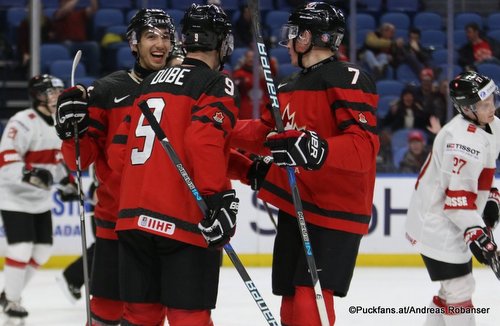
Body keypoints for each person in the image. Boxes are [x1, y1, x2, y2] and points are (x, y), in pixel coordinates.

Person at [230, 3, 379, 325]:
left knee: (311, 295)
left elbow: (363, 146)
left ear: (308, 37)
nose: (288, 41)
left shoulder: (347, 78)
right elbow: (266, 133)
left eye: (293, 33)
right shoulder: (288, 84)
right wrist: (222, 129)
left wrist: (317, 147)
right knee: (289, 295)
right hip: (297, 202)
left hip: (334, 206)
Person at [107, 4, 239, 325]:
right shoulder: (214, 83)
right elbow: (203, 141)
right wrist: (216, 198)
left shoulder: (148, 84)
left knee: (140, 316)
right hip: (182, 219)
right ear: (221, 42)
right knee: (188, 317)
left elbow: (117, 157)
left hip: (133, 220)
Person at [54, 8, 176, 325]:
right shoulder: (108, 90)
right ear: (134, 44)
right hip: (117, 219)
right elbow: (78, 160)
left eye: (166, 37)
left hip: (166, 218)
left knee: (152, 310)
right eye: (151, 36)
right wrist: (70, 133)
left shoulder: (184, 88)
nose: (160, 43)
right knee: (106, 308)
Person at [405, 71, 500, 325]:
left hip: (451, 219)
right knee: (460, 289)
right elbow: (456, 203)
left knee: (450, 292)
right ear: (467, 109)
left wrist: (490, 198)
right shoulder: (461, 142)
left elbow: (483, 172)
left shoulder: (491, 124)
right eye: (484, 104)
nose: (492, 107)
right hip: (437, 224)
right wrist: (479, 235)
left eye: (492, 99)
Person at [0, 74, 77, 321]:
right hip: (13, 196)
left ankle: (9, 294)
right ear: (37, 96)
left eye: (57, 91)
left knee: (42, 252)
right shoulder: (22, 121)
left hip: (40, 199)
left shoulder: (60, 122)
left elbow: (59, 162)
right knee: (21, 248)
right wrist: (30, 174)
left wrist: (67, 183)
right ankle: (12, 300)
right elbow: (6, 159)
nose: (55, 96)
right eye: (50, 92)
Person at [52, 0, 100, 76]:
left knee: (94, 45)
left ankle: (94, 75)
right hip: (66, 43)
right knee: (67, 45)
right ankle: (68, 73)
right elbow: (65, 10)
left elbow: (93, 10)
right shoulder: (58, 13)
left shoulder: (79, 13)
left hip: (81, 43)